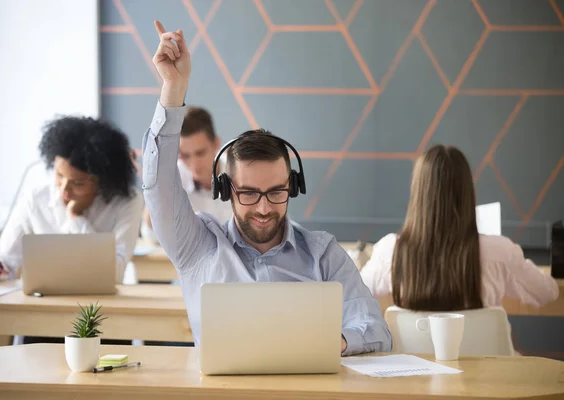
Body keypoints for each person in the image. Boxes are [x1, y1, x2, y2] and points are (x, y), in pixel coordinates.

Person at [141, 21, 391, 356]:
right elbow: (158, 189)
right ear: (227, 190)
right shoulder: (196, 246)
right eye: (248, 193)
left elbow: (375, 329)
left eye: (276, 192)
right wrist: (173, 88)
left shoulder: (323, 254)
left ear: (293, 186)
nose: (263, 208)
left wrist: (336, 342)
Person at [361, 145, 559, 311]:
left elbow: (352, 297)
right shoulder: (501, 252)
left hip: (415, 358)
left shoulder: (390, 251)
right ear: (467, 193)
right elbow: (548, 292)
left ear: (418, 193)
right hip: (486, 358)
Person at [0, 116, 144, 284]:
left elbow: (114, 272)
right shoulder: (36, 199)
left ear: (102, 180)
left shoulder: (127, 202)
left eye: (77, 182)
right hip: (42, 301)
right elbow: (7, 262)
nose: (64, 188)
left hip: (100, 306)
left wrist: (75, 218)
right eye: (59, 175)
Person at [141, 106, 232, 243]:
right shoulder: (174, 175)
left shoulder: (239, 173)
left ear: (216, 144)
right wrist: (157, 189)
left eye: (200, 153)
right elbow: (150, 235)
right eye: (185, 156)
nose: (194, 164)